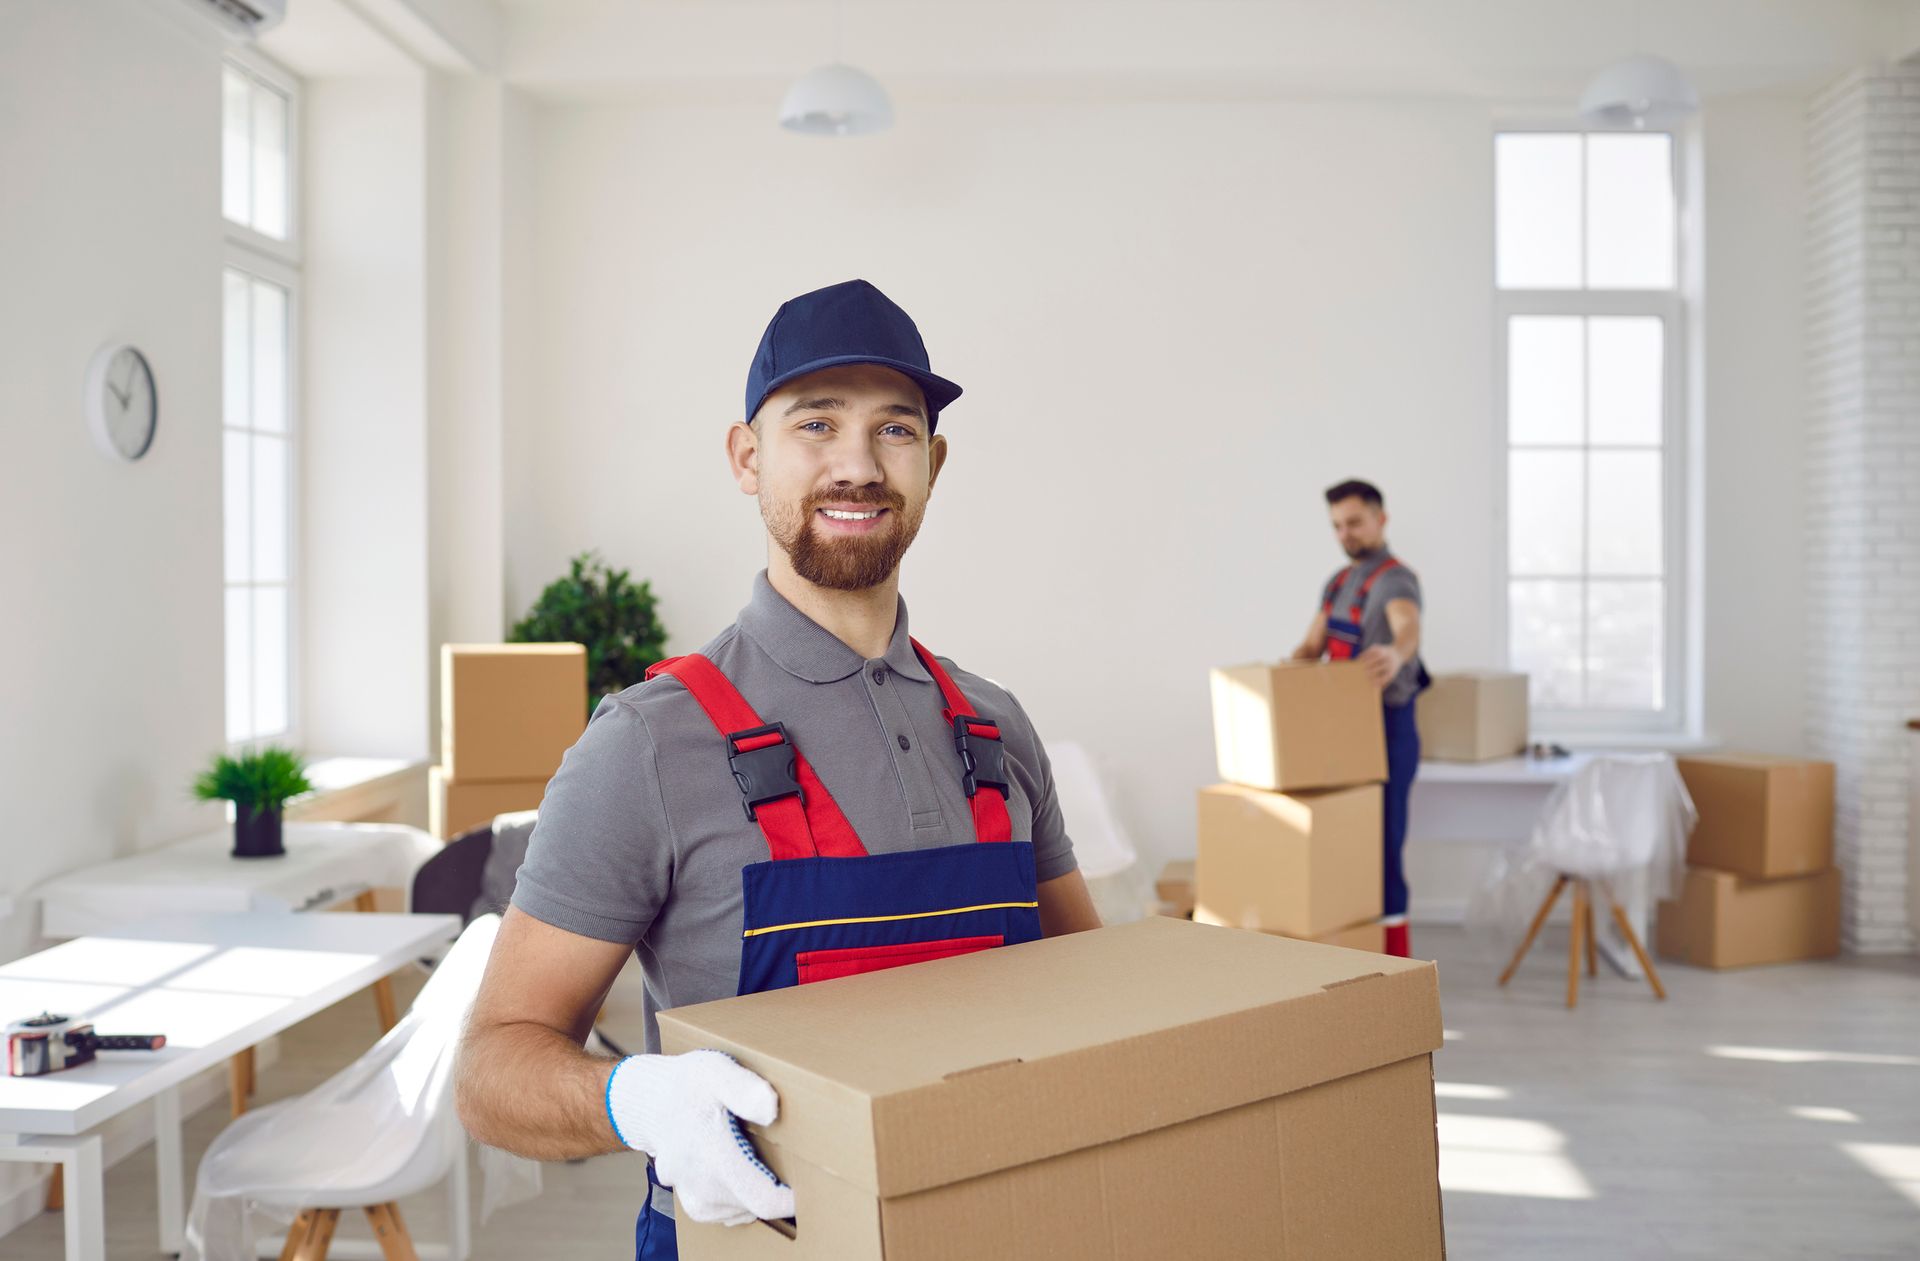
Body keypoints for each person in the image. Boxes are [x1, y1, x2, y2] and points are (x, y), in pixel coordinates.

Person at [455, 279, 1103, 1259]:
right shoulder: (646, 744)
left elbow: (1090, 997)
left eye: (894, 431)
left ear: (933, 464)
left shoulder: (997, 729)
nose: (857, 464)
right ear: (747, 458)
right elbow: (491, 1069)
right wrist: (633, 1096)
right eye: (815, 424)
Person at [1291, 478, 1428, 958]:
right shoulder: (1337, 582)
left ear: (1380, 519)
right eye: (1337, 526)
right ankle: (1348, 949)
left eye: (1354, 522)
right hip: (1341, 730)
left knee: (1383, 850)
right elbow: (1311, 647)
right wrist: (1283, 678)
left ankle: (1395, 961)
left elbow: (1407, 627)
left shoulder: (1395, 579)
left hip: (1388, 731)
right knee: (1341, 839)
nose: (1345, 534)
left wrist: (1395, 654)